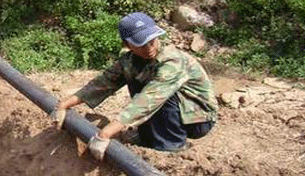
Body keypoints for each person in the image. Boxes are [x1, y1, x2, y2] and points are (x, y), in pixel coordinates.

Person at [50, 12, 217, 159]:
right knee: (137, 77)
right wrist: (64, 104)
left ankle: (170, 147)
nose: (149, 47)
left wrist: (105, 133)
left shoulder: (172, 61)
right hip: (176, 111)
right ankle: (147, 136)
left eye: (152, 40)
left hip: (198, 118)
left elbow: (150, 98)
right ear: (127, 44)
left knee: (160, 94)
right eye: (141, 44)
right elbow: (103, 83)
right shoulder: (130, 60)